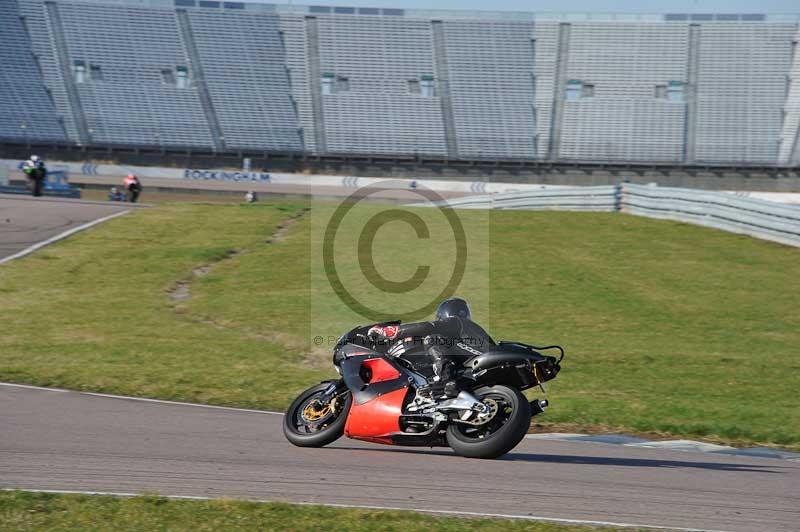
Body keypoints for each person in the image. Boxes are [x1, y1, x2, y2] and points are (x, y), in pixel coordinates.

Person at [367, 297, 495, 399]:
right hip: (479, 363)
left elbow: (425, 327)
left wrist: (389, 331)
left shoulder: (456, 321)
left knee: (433, 338)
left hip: (479, 356)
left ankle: (445, 379)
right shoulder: (472, 331)